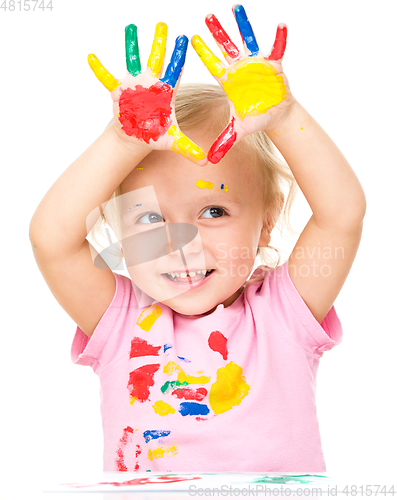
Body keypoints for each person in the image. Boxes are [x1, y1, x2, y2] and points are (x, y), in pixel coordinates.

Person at [29, 5, 366, 473]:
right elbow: (52, 239)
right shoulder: (121, 321)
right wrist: (124, 142)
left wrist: (285, 117)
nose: (179, 242)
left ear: (266, 223)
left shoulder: (283, 313)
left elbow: (342, 214)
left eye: (213, 210)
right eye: (149, 218)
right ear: (120, 232)